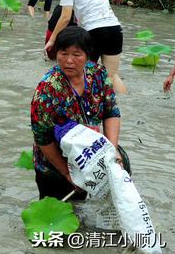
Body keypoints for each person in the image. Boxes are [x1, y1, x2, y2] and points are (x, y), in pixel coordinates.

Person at [31, 26, 123, 200]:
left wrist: (112, 151)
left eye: (76, 54)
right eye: (63, 53)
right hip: (54, 165)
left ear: (88, 55)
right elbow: (42, 138)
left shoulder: (98, 75)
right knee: (56, 215)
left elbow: (111, 112)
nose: (69, 61)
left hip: (90, 158)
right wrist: (67, 173)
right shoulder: (48, 89)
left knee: (81, 211)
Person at [45, 0, 126, 94]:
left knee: (86, 73)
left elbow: (65, 17)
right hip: (114, 29)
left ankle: (87, 105)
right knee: (112, 75)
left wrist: (52, 40)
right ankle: (123, 105)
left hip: (92, 32)